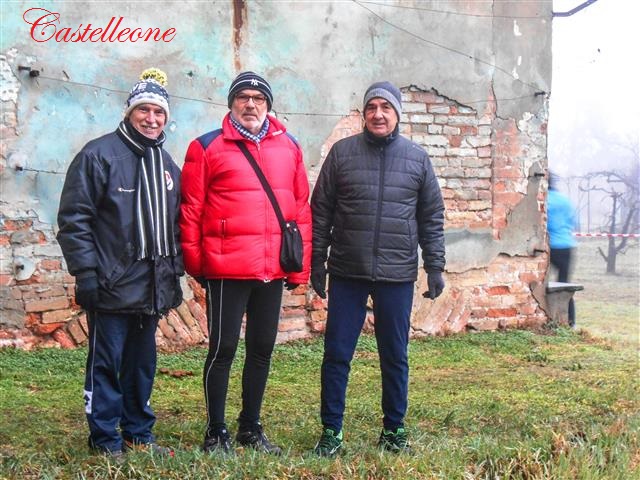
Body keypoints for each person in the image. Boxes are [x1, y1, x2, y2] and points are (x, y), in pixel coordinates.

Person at [310, 81, 446, 456]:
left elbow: (432, 216)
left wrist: (435, 266)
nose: (378, 114)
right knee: (337, 354)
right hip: (347, 271)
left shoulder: (417, 159)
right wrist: (317, 262)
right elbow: (320, 211)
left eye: (386, 107)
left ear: (397, 113)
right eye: (372, 107)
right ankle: (331, 431)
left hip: (397, 275)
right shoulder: (342, 153)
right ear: (364, 113)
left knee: (395, 355)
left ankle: (393, 430)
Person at [180, 71, 312, 455]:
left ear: (268, 105)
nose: (251, 104)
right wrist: (197, 264)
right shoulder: (206, 147)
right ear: (231, 103)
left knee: (261, 350)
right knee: (222, 350)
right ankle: (215, 431)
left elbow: (300, 209)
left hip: (271, 268)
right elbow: (191, 210)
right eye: (243, 97)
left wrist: (299, 266)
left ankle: (250, 428)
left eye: (258, 98)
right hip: (226, 268)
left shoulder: (289, 146)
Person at [57, 68, 183, 458]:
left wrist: (174, 273)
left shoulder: (167, 165)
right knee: (107, 365)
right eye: (144, 110)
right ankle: (104, 438)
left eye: (159, 112)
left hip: (152, 286)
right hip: (110, 284)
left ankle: (138, 433)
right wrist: (86, 273)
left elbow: (175, 225)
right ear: (129, 113)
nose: (151, 119)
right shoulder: (98, 155)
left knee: (141, 366)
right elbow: (74, 219)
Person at [547, 174, 578, 327]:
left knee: (540, 284)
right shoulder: (565, 201)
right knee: (565, 285)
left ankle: (544, 317)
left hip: (549, 247)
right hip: (567, 246)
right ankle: (571, 323)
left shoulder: (544, 200)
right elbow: (574, 222)